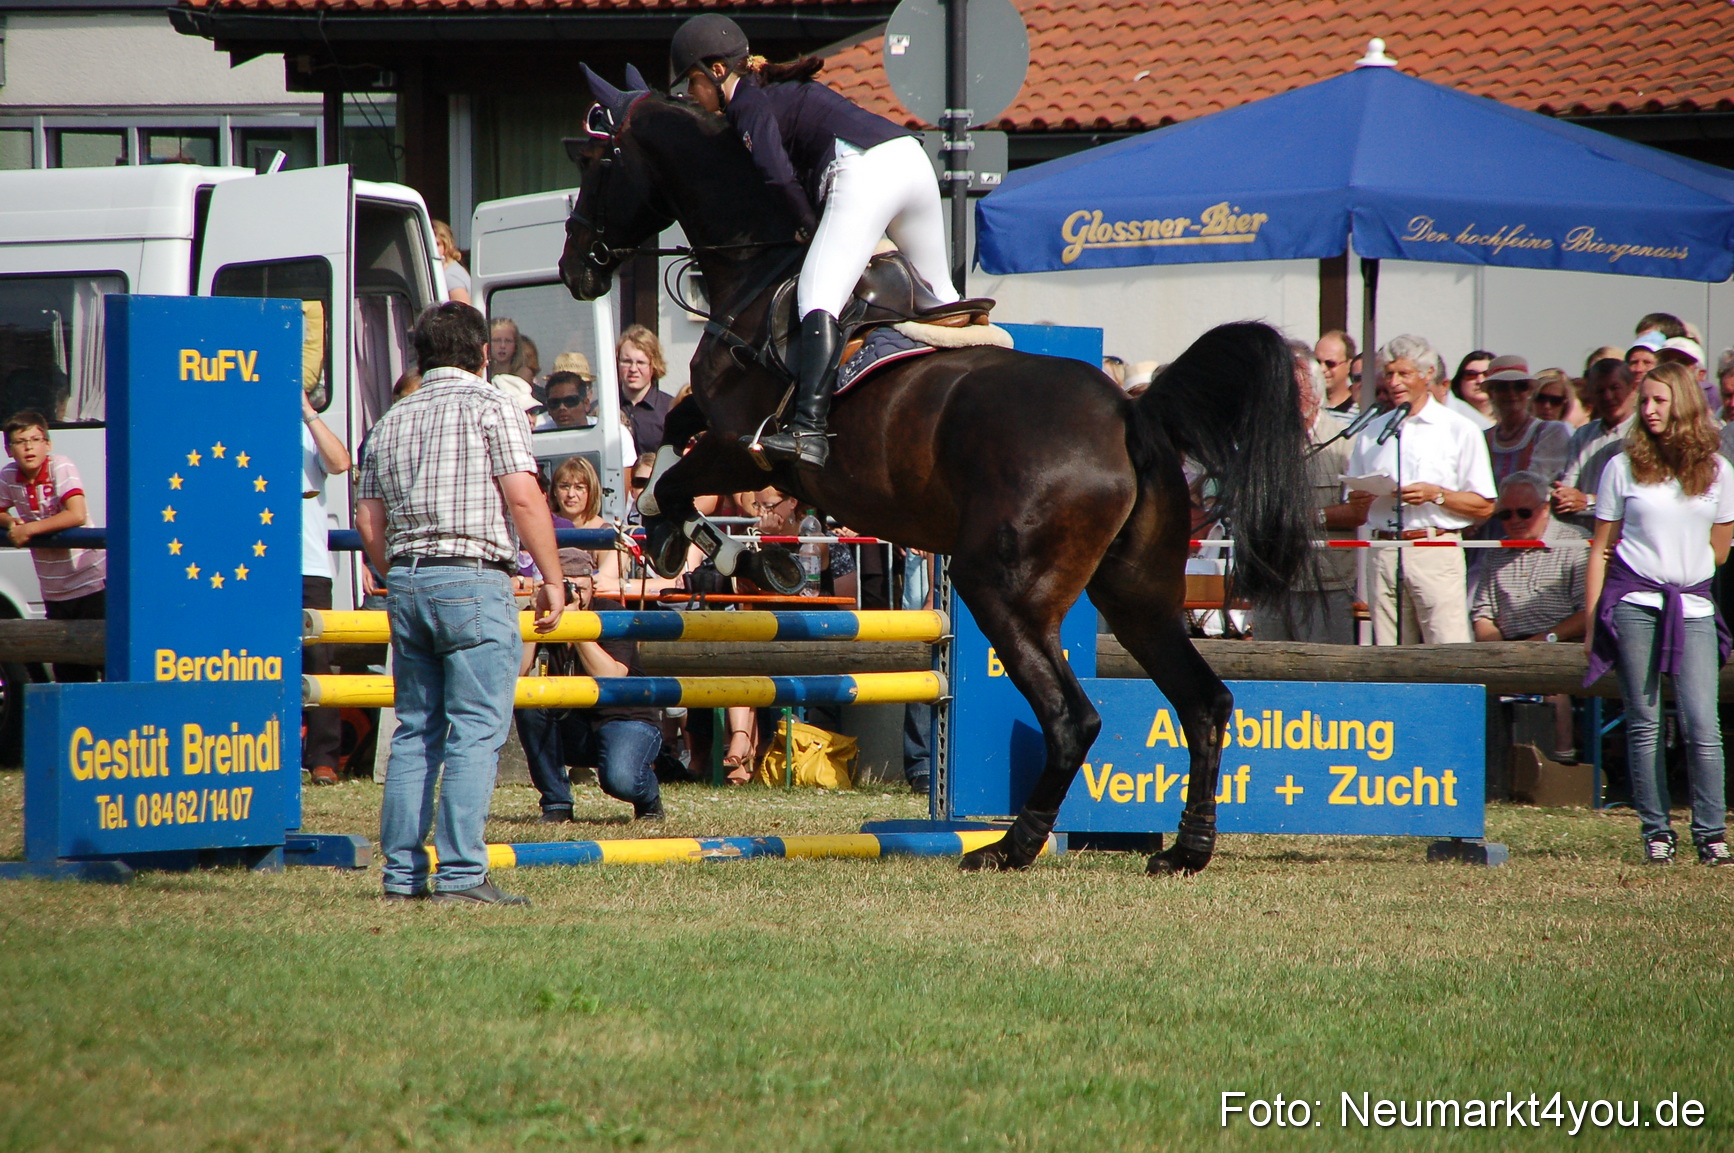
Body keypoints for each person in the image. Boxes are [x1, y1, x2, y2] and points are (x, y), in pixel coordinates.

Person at [670, 12, 959, 469]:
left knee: (817, 294)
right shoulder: (772, 91)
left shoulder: (747, 103)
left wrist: (805, 226)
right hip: (912, 162)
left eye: (691, 84)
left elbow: (776, 175)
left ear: (717, 71)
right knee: (942, 299)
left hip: (864, 170)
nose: (692, 97)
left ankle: (809, 431)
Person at [355, 301, 566, 905]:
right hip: (474, 578)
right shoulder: (492, 403)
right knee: (476, 732)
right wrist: (551, 576)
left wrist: (394, 571)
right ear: (480, 355)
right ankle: (462, 876)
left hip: (409, 582)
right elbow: (524, 499)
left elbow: (369, 518)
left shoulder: (391, 418)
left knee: (416, 731)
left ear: (419, 356)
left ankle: (401, 878)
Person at [1584, 361, 1734, 866]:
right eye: (1643, 400)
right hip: (1633, 604)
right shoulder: (1621, 467)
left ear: (1684, 404)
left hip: (1691, 606)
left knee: (1701, 723)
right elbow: (1600, 548)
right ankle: (1655, 830)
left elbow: (1720, 550)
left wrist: (1680, 567)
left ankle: (1711, 832)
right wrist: (1592, 622)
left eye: (1658, 401)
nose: (1647, 410)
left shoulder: (1718, 471)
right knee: (1644, 721)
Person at [1345, 334, 1496, 645]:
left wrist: (1436, 494)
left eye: (1404, 373)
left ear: (1428, 375)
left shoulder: (1459, 429)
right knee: (1390, 651)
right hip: (1383, 550)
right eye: (1389, 374)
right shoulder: (1371, 431)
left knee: (1446, 648)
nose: (1395, 382)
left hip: (1434, 549)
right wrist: (1362, 497)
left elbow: (1484, 506)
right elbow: (1355, 508)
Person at [1471, 471, 1588, 762]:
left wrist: (1542, 641)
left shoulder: (1576, 543)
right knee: (1474, 680)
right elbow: (1483, 613)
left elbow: (1589, 612)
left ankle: (1560, 761)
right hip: (1509, 645)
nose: (1514, 520)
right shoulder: (1496, 552)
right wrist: (1499, 650)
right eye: (1505, 514)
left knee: (1550, 683)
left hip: (1562, 643)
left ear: (1545, 507)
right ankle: (1491, 765)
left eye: (1524, 512)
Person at [1251, 340, 1359, 644]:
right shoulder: (1264, 445)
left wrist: (1311, 516)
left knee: (1328, 674)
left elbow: (1359, 511)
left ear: (1312, 391)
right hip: (1272, 580)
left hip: (1324, 583)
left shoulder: (1344, 443)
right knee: (1267, 674)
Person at [0, 411, 105, 682]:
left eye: (35, 439)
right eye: (20, 442)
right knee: (69, 670)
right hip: (55, 591)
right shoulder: (9, 475)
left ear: (48, 444)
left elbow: (76, 513)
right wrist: (10, 521)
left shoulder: (60, 466)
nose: (28, 447)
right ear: (9, 449)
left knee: (104, 658)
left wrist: (30, 528)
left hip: (90, 583)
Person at [300, 386, 352, 786]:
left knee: (319, 661)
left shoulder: (307, 429)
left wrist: (308, 413)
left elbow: (340, 463)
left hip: (310, 565)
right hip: (258, 568)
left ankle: (324, 758)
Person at [1552, 359, 1637, 532]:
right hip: (1584, 535)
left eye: (1615, 388)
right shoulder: (1583, 434)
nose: (1608, 396)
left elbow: (1639, 492)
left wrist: (1589, 500)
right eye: (1600, 390)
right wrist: (1564, 496)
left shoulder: (1644, 433)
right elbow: (1569, 482)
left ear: (1632, 388)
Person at [1482, 356, 1570, 486]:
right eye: (1503, 387)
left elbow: (1539, 480)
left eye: (1519, 386)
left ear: (1529, 391)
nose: (1511, 393)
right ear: (1491, 393)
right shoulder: (1483, 438)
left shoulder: (1549, 432)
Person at [616, 324, 674, 456]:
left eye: (641, 363)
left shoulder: (670, 410)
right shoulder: (604, 410)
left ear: (654, 365)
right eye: (626, 361)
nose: (633, 369)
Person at [1445, 349, 1496, 428]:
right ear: (1459, 381)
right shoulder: (1448, 417)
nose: (1480, 381)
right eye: (1471, 375)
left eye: (1487, 374)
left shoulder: (1511, 420)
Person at [1314, 329, 1358, 413]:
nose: (1322, 369)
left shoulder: (1360, 412)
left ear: (1349, 365)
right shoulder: (1306, 409)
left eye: (1330, 363)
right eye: (1317, 362)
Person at [431, 219, 471, 304]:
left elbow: (462, 309)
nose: (432, 249)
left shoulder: (450, 275)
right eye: (430, 244)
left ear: (447, 245)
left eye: (437, 244)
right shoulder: (453, 269)